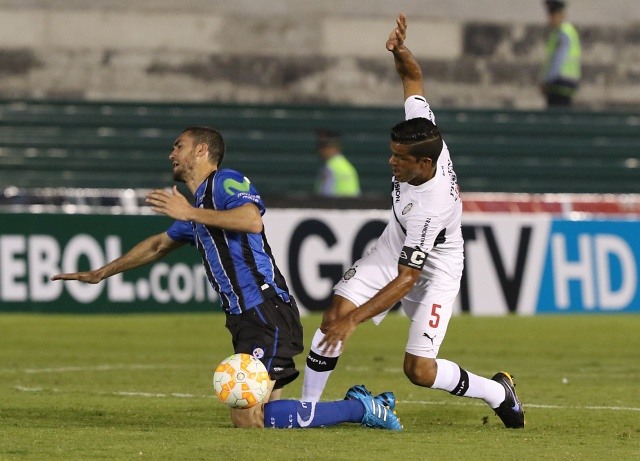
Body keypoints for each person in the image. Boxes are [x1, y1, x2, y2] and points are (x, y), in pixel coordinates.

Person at [51, 126, 401, 431]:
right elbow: (159, 245)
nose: (171, 153)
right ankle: (359, 404)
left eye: (179, 145)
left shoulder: (224, 180)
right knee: (261, 417)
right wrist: (102, 272)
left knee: (248, 418)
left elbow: (252, 220)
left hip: (264, 310)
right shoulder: (200, 205)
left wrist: (189, 212)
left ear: (202, 150)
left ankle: (362, 408)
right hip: (245, 317)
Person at [300, 13, 525, 429]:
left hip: (436, 265)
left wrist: (357, 320)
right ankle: (307, 410)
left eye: (398, 159)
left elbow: (406, 280)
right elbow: (413, 81)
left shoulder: (431, 205)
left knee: (418, 370)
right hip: (395, 243)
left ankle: (498, 392)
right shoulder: (424, 132)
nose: (390, 162)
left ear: (423, 163)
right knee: (333, 315)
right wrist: (400, 52)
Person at [540, 0, 581, 107]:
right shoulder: (560, 32)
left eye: (553, 15)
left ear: (561, 15)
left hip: (560, 84)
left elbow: (558, 60)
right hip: (564, 85)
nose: (550, 19)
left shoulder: (563, 33)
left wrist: (546, 80)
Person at [315, 129, 361, 197]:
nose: (320, 151)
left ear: (334, 147)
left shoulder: (330, 167)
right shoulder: (347, 166)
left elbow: (324, 197)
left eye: (323, 146)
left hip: (335, 206)